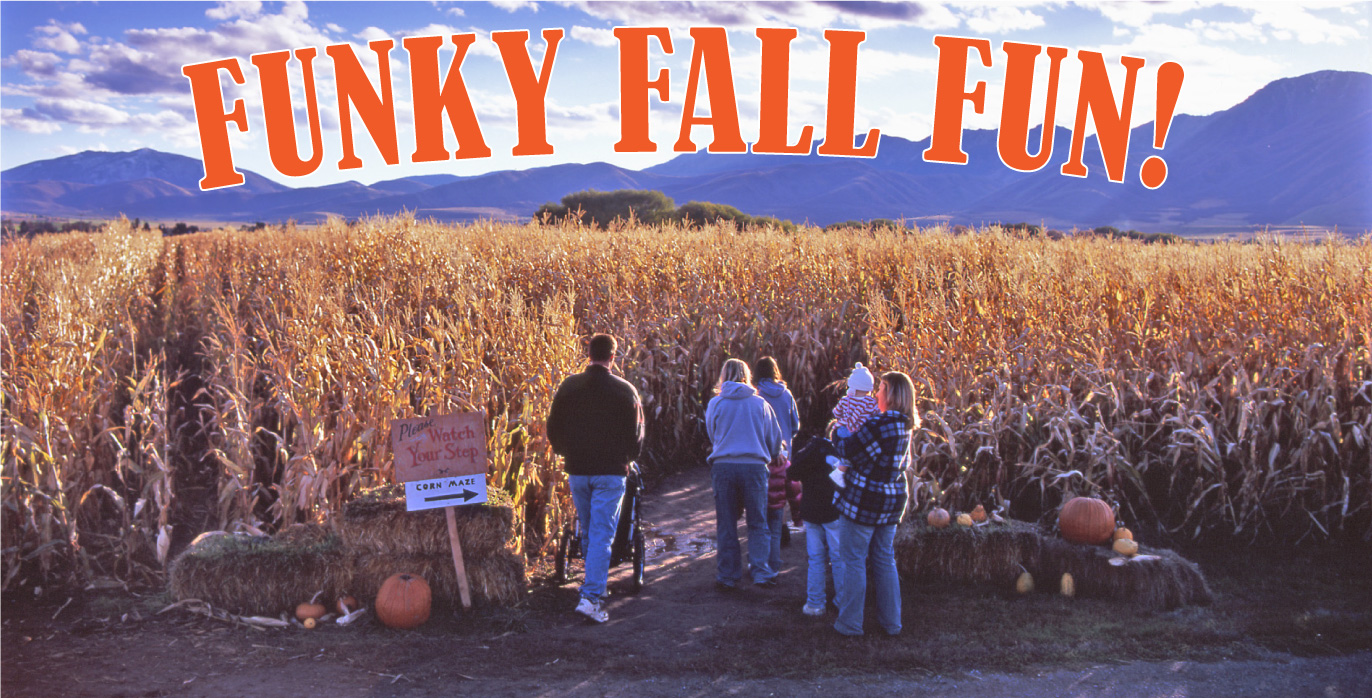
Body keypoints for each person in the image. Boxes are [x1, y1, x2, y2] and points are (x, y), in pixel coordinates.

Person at [547, 333, 645, 623]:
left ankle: (592, 587)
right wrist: (626, 458)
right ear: (613, 357)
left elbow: (554, 427)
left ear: (588, 354)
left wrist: (567, 452)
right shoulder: (626, 391)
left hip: (578, 470)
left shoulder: (569, 387)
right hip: (610, 472)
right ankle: (591, 598)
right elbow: (637, 435)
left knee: (589, 531)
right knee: (603, 534)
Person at [832, 371, 918, 637]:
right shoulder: (905, 425)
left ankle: (850, 624)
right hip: (892, 500)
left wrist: (838, 431)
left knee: (853, 560)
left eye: (881, 388)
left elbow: (847, 449)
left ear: (891, 394)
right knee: (884, 559)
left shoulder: (879, 424)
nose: (876, 394)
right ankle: (892, 623)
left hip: (865, 500)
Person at [705, 358, 783, 589]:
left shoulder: (716, 404)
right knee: (757, 521)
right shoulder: (760, 404)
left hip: (724, 466)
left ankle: (728, 575)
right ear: (746, 376)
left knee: (727, 523)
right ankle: (760, 572)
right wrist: (772, 451)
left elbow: (712, 434)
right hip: (754, 467)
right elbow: (774, 439)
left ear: (723, 375)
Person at [786, 434, 844, 616]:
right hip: (833, 511)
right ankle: (843, 601)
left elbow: (792, 472)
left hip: (811, 511)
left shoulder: (810, 452)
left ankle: (815, 603)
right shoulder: (840, 451)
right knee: (839, 558)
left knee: (816, 558)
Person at [754, 356, 801, 568]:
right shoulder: (787, 394)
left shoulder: (757, 396)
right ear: (775, 371)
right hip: (784, 453)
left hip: (762, 454)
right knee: (781, 493)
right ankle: (782, 530)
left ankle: (768, 537)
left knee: (765, 495)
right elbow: (795, 425)